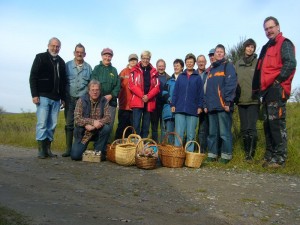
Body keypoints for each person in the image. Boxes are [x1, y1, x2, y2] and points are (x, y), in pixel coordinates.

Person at [252, 16, 297, 168]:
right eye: (266, 29)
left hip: (277, 90)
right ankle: (269, 156)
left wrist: (278, 81)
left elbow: (291, 63)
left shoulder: (284, 43)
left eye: (271, 27)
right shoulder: (266, 47)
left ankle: (280, 159)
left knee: (277, 124)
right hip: (266, 91)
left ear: (278, 27)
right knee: (268, 124)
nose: (269, 31)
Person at [29, 37, 66, 159]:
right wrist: (34, 94)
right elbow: (33, 76)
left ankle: (48, 149)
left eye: (57, 46)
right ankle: (41, 150)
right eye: (53, 46)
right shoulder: (40, 57)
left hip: (56, 98)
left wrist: (63, 98)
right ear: (48, 45)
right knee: (42, 123)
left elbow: (63, 82)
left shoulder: (61, 62)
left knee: (52, 124)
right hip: (43, 96)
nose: (55, 48)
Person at [204, 44, 237, 164]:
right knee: (212, 133)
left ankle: (226, 155)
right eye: (217, 52)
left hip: (223, 106)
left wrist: (228, 101)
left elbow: (231, 84)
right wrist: (206, 105)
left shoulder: (228, 66)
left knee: (224, 133)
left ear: (224, 54)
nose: (218, 53)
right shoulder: (211, 69)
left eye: (221, 52)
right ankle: (212, 154)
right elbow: (207, 89)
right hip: (212, 107)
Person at [62, 43, 92, 157]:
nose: (79, 54)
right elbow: (63, 83)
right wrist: (63, 98)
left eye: (81, 52)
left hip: (82, 101)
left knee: (80, 125)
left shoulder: (88, 68)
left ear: (85, 54)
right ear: (74, 53)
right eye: (77, 52)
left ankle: (77, 148)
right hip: (69, 99)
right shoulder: (67, 65)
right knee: (69, 124)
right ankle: (68, 149)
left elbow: (90, 86)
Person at [71, 80, 111, 161]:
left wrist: (96, 125)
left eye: (97, 90)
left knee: (106, 128)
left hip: (98, 131)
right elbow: (77, 118)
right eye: (92, 90)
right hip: (84, 133)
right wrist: (92, 122)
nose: (95, 92)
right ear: (88, 91)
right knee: (75, 156)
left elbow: (108, 118)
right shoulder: (81, 100)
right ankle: (85, 151)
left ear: (100, 91)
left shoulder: (104, 101)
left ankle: (98, 151)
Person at [91, 48, 120, 160]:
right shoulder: (97, 69)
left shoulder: (114, 70)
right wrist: (99, 96)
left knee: (109, 125)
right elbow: (93, 83)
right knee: (98, 125)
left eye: (109, 56)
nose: (107, 58)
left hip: (111, 103)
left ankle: (105, 150)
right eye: (105, 55)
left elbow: (118, 86)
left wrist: (111, 95)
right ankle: (97, 149)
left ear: (111, 57)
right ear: (102, 56)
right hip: (98, 102)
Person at [171, 53, 203, 151]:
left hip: (192, 110)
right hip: (179, 109)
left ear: (194, 63)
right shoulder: (181, 77)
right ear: (185, 63)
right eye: (188, 62)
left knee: (190, 134)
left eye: (191, 62)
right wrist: (173, 104)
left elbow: (200, 94)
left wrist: (200, 106)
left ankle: (189, 155)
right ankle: (177, 154)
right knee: (179, 133)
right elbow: (175, 92)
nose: (189, 64)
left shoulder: (198, 77)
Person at [235, 39, 259, 161]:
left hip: (253, 100)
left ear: (254, 49)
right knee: (244, 128)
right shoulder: (238, 64)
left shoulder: (258, 62)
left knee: (251, 128)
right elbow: (234, 81)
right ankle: (246, 153)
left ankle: (251, 155)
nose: (250, 49)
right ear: (244, 48)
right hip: (241, 101)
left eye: (252, 47)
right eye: (248, 46)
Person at [129, 50, 160, 138]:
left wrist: (148, 96)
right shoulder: (134, 70)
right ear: (141, 58)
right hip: (138, 101)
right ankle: (135, 145)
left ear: (150, 59)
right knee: (136, 125)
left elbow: (157, 87)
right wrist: (142, 96)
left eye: (147, 58)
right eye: (144, 58)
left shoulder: (154, 71)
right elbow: (131, 85)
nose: (145, 60)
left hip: (149, 102)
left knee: (146, 126)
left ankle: (143, 145)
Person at [115, 53, 138, 139]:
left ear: (137, 61)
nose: (133, 61)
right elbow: (117, 85)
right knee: (121, 126)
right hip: (124, 105)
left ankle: (128, 147)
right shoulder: (123, 72)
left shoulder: (139, 72)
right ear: (129, 61)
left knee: (131, 128)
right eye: (131, 60)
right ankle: (116, 144)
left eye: (134, 60)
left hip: (134, 105)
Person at [162, 59, 184, 143]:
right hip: (169, 110)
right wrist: (170, 100)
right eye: (174, 65)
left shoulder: (185, 79)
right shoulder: (169, 80)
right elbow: (164, 93)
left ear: (182, 67)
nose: (176, 67)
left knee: (179, 131)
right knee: (169, 132)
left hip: (180, 109)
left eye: (178, 65)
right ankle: (170, 150)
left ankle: (178, 149)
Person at [150, 59, 170, 142]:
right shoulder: (153, 76)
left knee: (163, 126)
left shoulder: (169, 78)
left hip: (164, 105)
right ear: (156, 66)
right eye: (159, 66)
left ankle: (163, 144)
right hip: (154, 104)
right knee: (154, 126)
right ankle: (154, 144)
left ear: (165, 67)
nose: (161, 68)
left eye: (162, 66)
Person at [196, 54, 209, 153]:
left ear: (205, 62)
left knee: (203, 129)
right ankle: (190, 148)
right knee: (192, 129)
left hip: (204, 105)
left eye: (202, 61)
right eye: (199, 61)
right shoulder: (193, 74)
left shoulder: (208, 73)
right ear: (197, 63)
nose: (201, 63)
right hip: (193, 105)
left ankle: (202, 150)